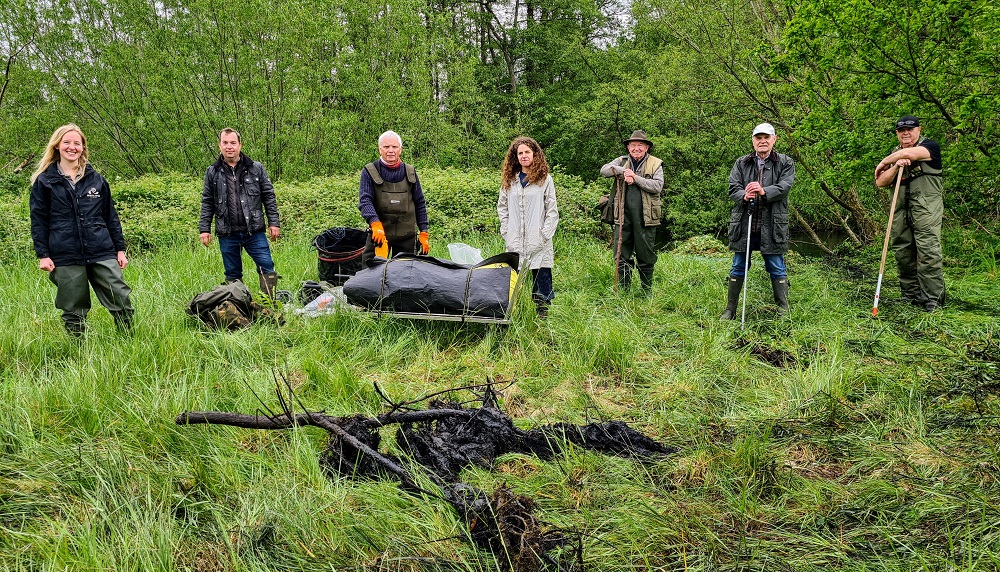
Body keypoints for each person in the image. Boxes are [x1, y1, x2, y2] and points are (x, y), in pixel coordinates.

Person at [29, 124, 134, 336]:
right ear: (57, 146)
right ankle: (79, 351)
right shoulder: (44, 181)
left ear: (83, 147)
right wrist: (43, 255)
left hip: (101, 249)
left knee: (120, 298)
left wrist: (120, 249)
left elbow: (110, 216)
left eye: (77, 143)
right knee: (73, 308)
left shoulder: (96, 179)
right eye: (66, 142)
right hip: (65, 253)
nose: (72, 147)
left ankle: (128, 340)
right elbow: (39, 220)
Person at [721, 122, 795, 319]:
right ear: (753, 141)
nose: (762, 141)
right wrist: (744, 195)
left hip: (772, 224)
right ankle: (730, 310)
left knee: (776, 265)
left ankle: (783, 310)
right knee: (738, 265)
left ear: (774, 139)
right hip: (745, 222)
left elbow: (785, 186)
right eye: (758, 138)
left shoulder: (785, 162)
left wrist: (763, 191)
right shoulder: (741, 162)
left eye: (766, 137)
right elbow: (732, 187)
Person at [199, 128, 282, 299]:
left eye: (233, 143)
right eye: (225, 143)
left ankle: (269, 305)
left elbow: (269, 196)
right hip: (227, 233)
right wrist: (204, 229)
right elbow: (207, 202)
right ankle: (238, 307)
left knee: (267, 266)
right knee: (232, 274)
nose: (229, 147)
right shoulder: (212, 172)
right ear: (219, 145)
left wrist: (274, 223)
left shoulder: (256, 168)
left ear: (239, 145)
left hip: (254, 231)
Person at [874, 115, 945, 311]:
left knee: (928, 251)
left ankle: (933, 299)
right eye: (901, 130)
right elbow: (881, 182)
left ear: (918, 130)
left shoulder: (929, 147)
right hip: (899, 210)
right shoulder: (896, 153)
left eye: (910, 129)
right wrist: (895, 165)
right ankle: (910, 296)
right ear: (897, 133)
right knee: (903, 251)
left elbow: (914, 155)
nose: (906, 133)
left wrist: (884, 162)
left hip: (925, 208)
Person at [498, 136, 559, 318]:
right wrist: (506, 231)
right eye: (520, 153)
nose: (524, 156)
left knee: (541, 276)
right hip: (515, 237)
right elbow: (502, 207)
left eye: (527, 152)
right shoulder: (510, 180)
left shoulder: (544, 179)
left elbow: (552, 210)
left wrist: (544, 235)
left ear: (535, 154)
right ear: (515, 157)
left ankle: (541, 314)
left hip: (538, 238)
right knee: (514, 280)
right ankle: (514, 313)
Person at [600, 129, 664, 294]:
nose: (636, 148)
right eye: (633, 145)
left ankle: (646, 291)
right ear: (628, 147)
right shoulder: (621, 161)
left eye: (640, 145)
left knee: (646, 255)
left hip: (646, 217)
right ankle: (624, 291)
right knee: (621, 254)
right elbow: (604, 170)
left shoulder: (656, 163)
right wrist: (624, 171)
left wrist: (635, 178)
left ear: (646, 147)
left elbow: (657, 186)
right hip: (622, 216)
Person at [358, 130, 430, 265]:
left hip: (407, 237)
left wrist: (424, 232)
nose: (390, 150)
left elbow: (420, 203)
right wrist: (375, 224)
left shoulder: (410, 172)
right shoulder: (369, 171)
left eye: (394, 147)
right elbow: (365, 201)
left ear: (400, 150)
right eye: (386, 147)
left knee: (406, 277)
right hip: (379, 235)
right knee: (370, 275)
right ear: (380, 149)